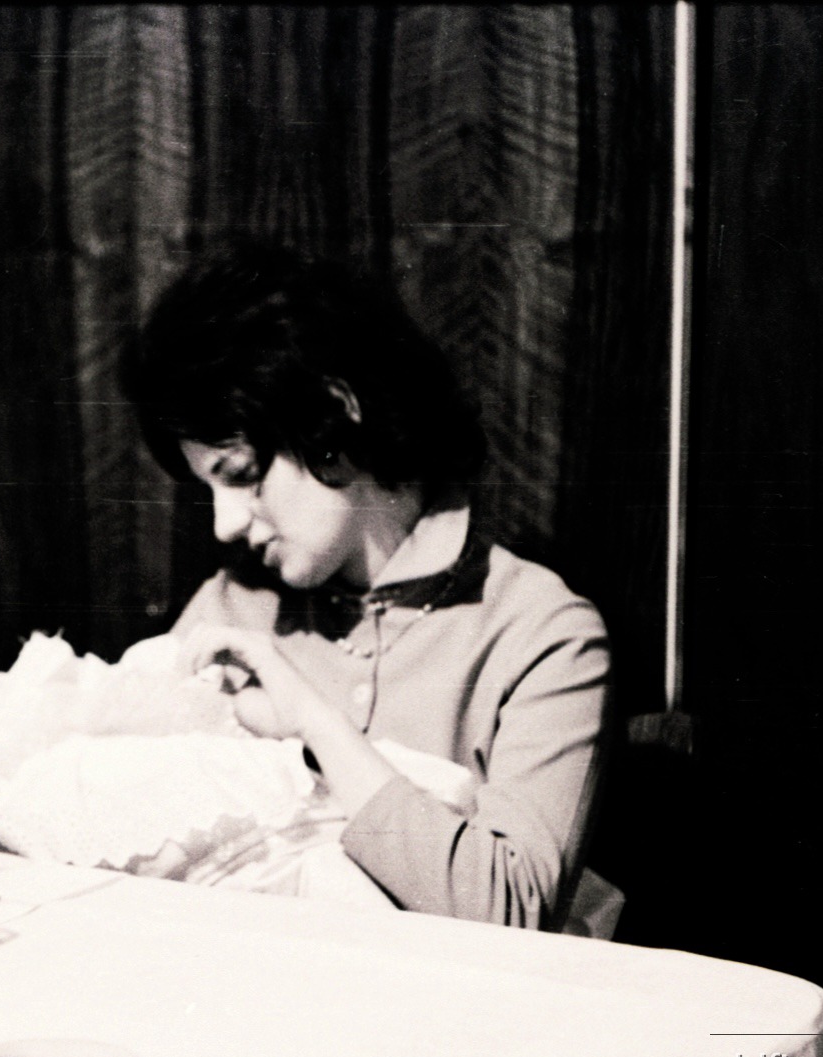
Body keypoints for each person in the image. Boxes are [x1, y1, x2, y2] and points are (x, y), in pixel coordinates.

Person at [119, 243, 611, 930]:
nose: (227, 525)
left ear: (332, 415)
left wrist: (314, 721)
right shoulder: (232, 608)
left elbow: (509, 910)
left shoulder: (542, 635)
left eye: (239, 474)